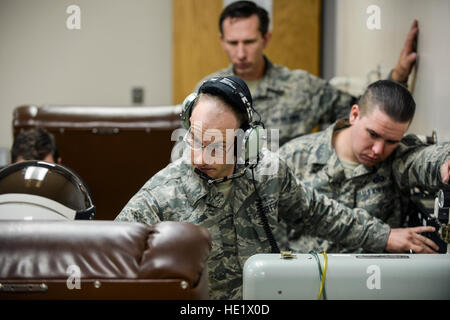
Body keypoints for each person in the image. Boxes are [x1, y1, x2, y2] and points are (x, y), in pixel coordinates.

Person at [115, 76, 437, 300]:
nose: (200, 156)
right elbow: (109, 258)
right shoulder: (160, 195)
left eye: (217, 146)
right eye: (195, 140)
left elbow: (318, 213)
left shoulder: (266, 173)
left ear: (247, 142)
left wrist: (382, 236)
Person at [194, 1, 418, 146]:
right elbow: (187, 147)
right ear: (222, 42)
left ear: (266, 39)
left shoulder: (300, 86)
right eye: (233, 43)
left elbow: (361, 111)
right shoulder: (210, 91)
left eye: (249, 42)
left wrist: (397, 76)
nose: (241, 53)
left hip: (290, 201)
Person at [279, 80, 450, 253]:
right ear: (354, 115)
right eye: (373, 134)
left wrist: (445, 161)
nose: (378, 150)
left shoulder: (397, 157)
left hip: (373, 277)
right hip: (306, 275)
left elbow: (423, 159)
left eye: (391, 141)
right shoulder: (294, 156)